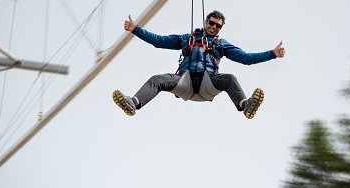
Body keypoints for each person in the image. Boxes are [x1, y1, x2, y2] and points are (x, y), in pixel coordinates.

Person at [113, 10, 285, 119]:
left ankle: (245, 105)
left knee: (229, 78)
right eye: (212, 23)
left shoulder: (221, 44)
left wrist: (272, 54)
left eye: (218, 26)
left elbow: (246, 58)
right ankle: (133, 103)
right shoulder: (186, 39)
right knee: (157, 79)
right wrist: (136, 29)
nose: (214, 27)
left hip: (207, 84)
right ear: (205, 22)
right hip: (184, 82)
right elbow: (159, 41)